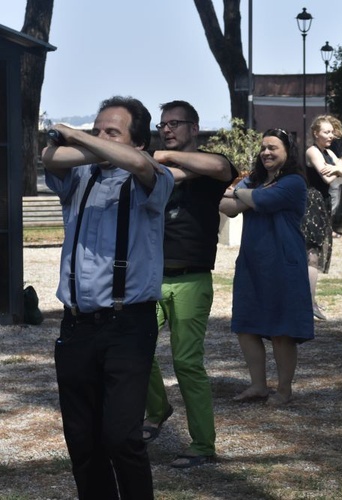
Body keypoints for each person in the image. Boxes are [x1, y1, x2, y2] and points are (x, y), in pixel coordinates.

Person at [41, 96, 174, 499]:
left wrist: (76, 132)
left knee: (121, 437)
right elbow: (50, 156)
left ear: (138, 141)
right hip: (77, 323)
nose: (98, 139)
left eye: (110, 132)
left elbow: (135, 164)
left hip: (127, 325)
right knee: (82, 440)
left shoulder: (153, 175)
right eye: (96, 129)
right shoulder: (80, 176)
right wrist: (77, 140)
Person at [142, 100, 237, 468]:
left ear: (194, 128)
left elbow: (219, 167)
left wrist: (162, 155)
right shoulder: (162, 169)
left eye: (175, 123)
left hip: (192, 280)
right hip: (150, 278)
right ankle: (158, 407)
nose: (167, 129)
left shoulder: (213, 162)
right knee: (136, 350)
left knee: (186, 363)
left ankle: (202, 444)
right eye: (163, 124)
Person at [219, 129, 313, 405]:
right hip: (251, 262)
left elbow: (263, 201)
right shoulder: (257, 180)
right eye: (263, 148)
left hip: (283, 263)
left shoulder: (294, 182)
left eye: (273, 147)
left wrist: (241, 193)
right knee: (245, 325)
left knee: (281, 331)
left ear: (287, 151)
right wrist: (247, 194)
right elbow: (227, 207)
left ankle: (284, 390)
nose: (266, 152)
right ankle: (258, 386)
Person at [303, 115, 342, 320]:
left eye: (332, 132)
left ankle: (310, 300)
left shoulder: (329, 152)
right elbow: (327, 178)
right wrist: (339, 169)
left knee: (315, 255)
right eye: (326, 132)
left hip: (323, 203)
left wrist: (339, 168)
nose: (331, 135)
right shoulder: (312, 151)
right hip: (312, 203)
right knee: (311, 256)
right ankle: (309, 302)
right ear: (316, 133)